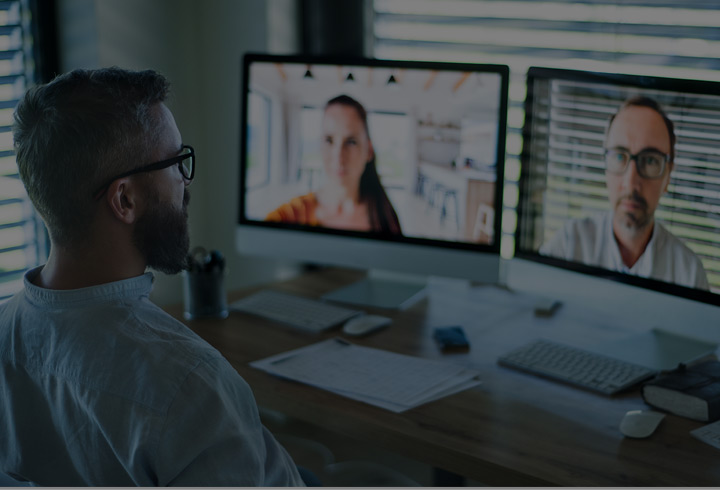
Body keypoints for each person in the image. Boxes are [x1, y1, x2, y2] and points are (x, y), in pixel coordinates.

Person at [0, 67, 305, 486]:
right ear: (125, 199)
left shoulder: (4, 333)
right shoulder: (190, 385)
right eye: (176, 162)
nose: (184, 182)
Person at [540, 95, 709, 290]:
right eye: (620, 156)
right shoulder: (568, 246)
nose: (631, 183)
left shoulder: (689, 274)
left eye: (651, 161)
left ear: (668, 176)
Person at [266, 94, 402, 235]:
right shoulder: (290, 216)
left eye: (351, 142)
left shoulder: (386, 219)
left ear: (369, 151)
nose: (338, 156)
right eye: (329, 140)